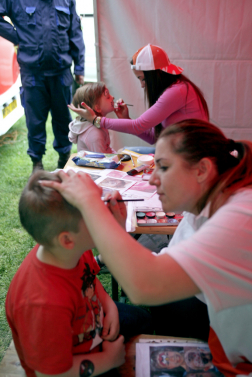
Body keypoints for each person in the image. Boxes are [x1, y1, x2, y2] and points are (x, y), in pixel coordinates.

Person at [41, 119, 252, 376]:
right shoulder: (206, 207)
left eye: (162, 167)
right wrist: (120, 232)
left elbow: (146, 287)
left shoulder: (240, 217)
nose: (152, 180)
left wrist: (90, 203)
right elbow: (165, 266)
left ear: (202, 170)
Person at [5, 171, 153, 377]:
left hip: (92, 323)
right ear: (67, 240)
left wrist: (108, 305)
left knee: (142, 319)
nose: (103, 214)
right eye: (93, 213)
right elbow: (50, 374)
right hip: (73, 368)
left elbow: (88, 276)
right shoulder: (43, 304)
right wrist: (109, 360)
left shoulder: (71, 248)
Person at [68, 44, 209, 147]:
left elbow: (138, 126)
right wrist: (126, 118)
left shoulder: (177, 91)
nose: (142, 85)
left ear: (154, 75)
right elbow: (154, 137)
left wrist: (96, 120)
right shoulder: (176, 89)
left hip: (191, 154)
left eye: (143, 79)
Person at [0, 0, 85, 172]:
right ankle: (36, 164)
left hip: (61, 72)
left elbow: (75, 31)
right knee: (35, 120)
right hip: (32, 73)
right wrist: (17, 37)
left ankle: (64, 159)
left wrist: (79, 66)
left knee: (63, 119)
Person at [69, 82, 116, 154]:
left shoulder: (98, 125)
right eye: (108, 96)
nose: (113, 97)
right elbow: (102, 161)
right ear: (97, 108)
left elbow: (107, 149)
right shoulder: (95, 133)